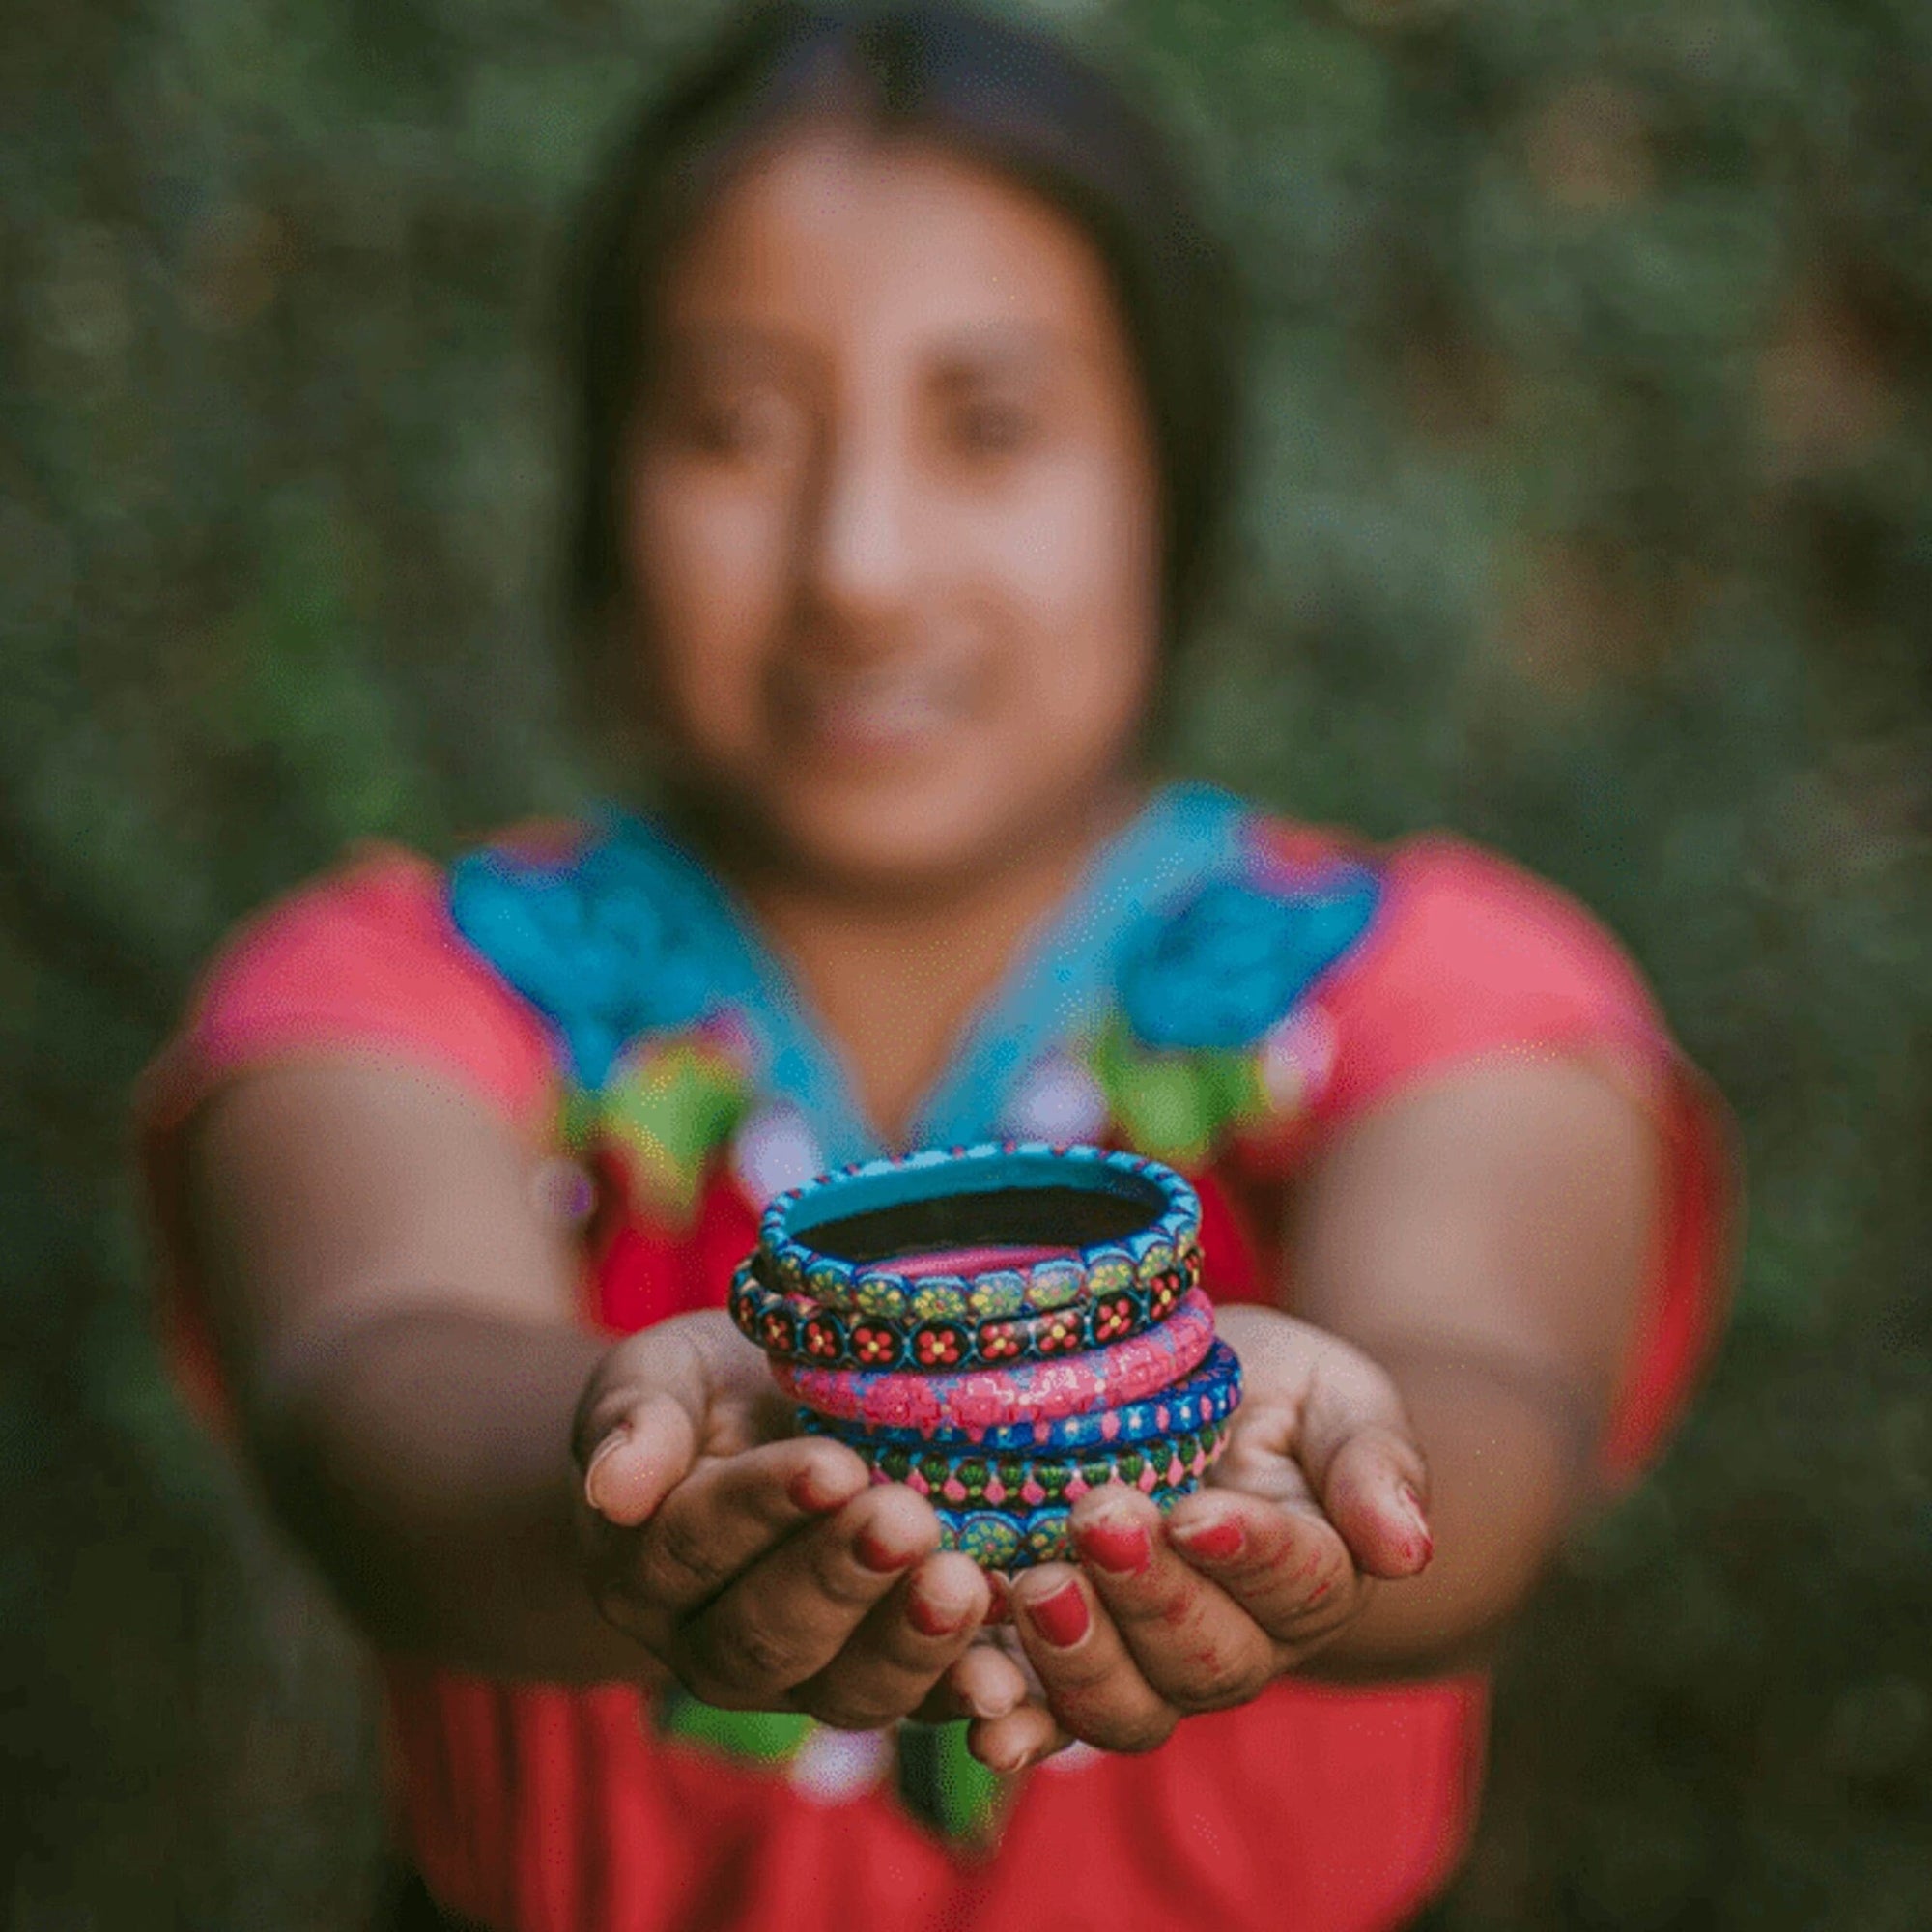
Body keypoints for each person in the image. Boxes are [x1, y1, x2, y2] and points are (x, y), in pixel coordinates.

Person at [136, 5, 1738, 1929]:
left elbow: (1489, 1412)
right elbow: (368, 1385)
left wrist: (1319, 1481)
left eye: (989, 425)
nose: (859, 566)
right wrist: (626, 1487)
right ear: (602, 485)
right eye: (732, 428)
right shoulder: (387, 992)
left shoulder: (1452, 987)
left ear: (1172, 470)